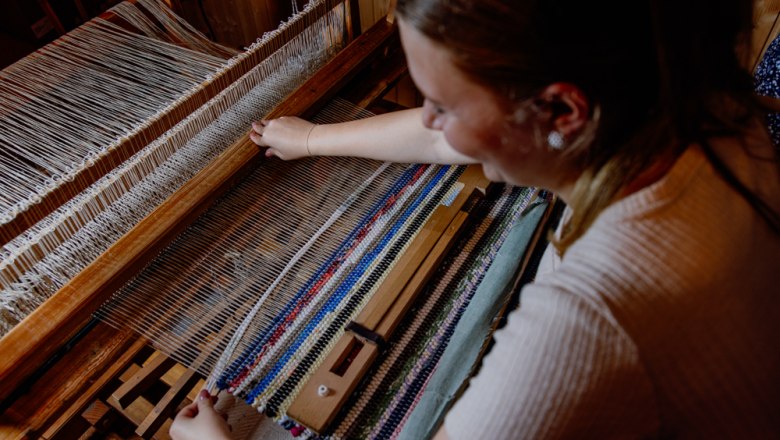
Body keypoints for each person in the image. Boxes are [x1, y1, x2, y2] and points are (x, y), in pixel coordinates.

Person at [172, 0, 780, 438]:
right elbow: (449, 138)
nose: (430, 119)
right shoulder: (697, 100)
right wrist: (312, 139)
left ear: (562, 111)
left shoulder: (587, 322)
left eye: (441, 102)